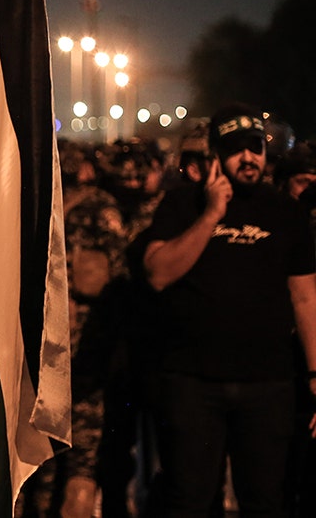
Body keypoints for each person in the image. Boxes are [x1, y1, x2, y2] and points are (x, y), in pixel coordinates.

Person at [142, 103, 316, 517]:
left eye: (255, 147)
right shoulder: (182, 205)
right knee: (191, 500)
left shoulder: (286, 212)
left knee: (264, 501)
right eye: (236, 148)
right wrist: (212, 215)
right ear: (215, 156)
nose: (249, 157)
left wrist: (314, 375)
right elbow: (158, 274)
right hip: (194, 384)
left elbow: (306, 298)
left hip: (268, 385)